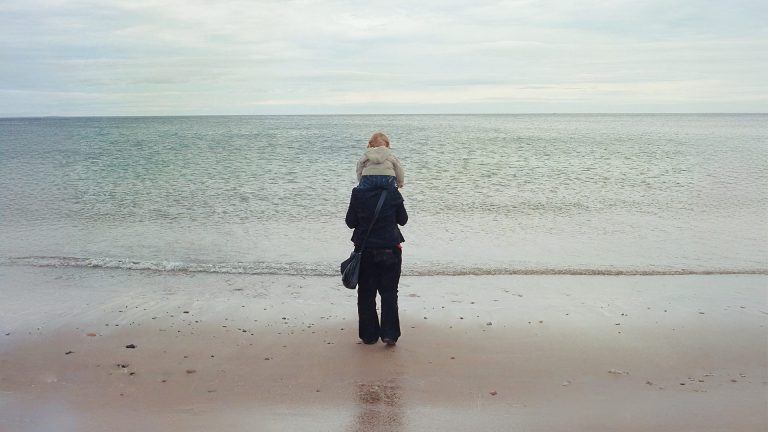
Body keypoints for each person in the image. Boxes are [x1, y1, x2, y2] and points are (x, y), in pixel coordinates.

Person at [345, 163, 408, 346]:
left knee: (366, 293)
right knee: (389, 292)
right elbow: (403, 220)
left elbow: (350, 222)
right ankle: (389, 334)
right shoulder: (393, 193)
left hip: (365, 250)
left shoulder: (358, 193)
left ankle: (369, 336)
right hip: (390, 248)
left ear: (364, 174)